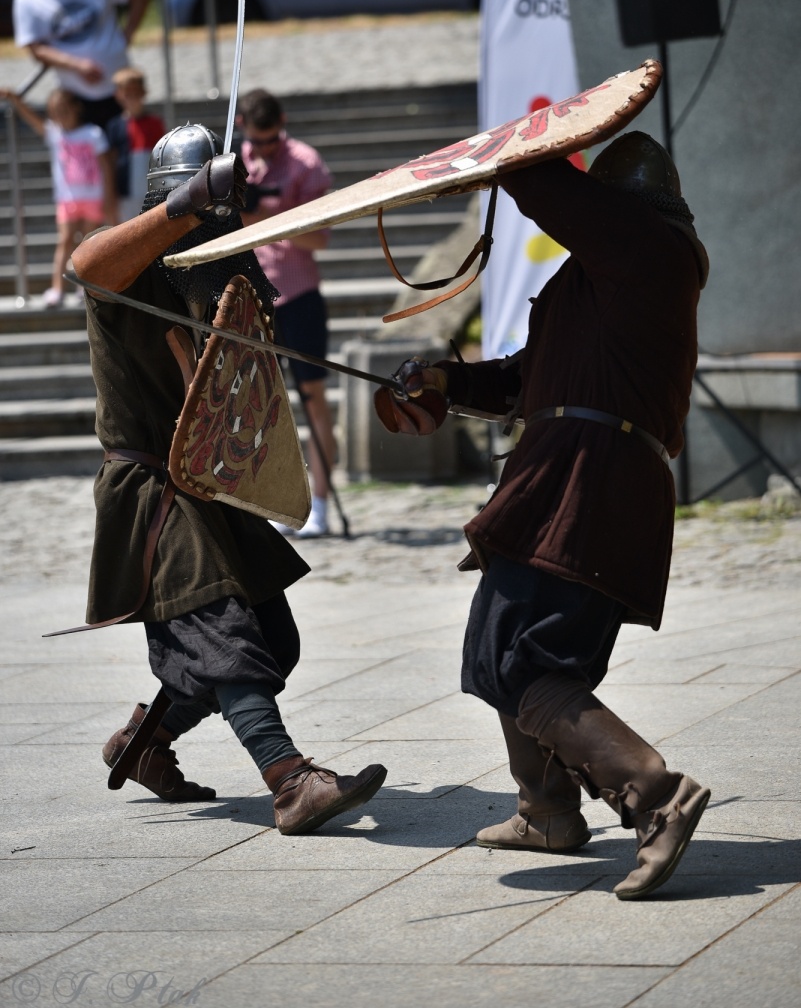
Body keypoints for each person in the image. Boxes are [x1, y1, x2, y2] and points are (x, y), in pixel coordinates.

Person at [374, 132, 711, 900]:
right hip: (567, 475)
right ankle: (547, 811)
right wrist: (442, 382)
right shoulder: (602, 280)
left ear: (618, 207)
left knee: (521, 660)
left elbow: (546, 188)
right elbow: (529, 380)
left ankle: (655, 797)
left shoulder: (650, 250)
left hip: (589, 479)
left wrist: (510, 146)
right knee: (510, 653)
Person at [69, 122, 386, 834]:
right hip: (152, 490)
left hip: (206, 480)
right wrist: (187, 205)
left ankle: (146, 740)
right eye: (202, 208)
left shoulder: (211, 274)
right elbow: (84, 266)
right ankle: (290, 781)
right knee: (224, 634)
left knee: (274, 638)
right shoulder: (126, 266)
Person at [239, 89, 336, 538]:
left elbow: (320, 240)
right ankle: (276, 502)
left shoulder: (305, 163)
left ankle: (321, 505)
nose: (264, 148)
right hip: (253, 296)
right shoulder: (236, 163)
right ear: (243, 128)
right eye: (256, 141)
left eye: (272, 139)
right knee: (259, 405)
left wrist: (272, 215)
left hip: (297, 295)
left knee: (313, 400)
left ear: (283, 123)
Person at [12, 0, 150, 129]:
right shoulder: (27, 0)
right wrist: (77, 66)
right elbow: (36, 49)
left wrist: (129, 32)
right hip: (76, 97)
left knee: (127, 143)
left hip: (120, 91)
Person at [0, 86, 116, 307]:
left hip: (92, 196)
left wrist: (109, 196)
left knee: (87, 242)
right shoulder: (55, 133)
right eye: (55, 111)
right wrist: (15, 99)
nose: (60, 115)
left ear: (76, 108)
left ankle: (84, 286)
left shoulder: (93, 133)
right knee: (65, 240)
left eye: (64, 109)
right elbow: (31, 118)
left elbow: (106, 166)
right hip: (67, 198)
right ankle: (57, 287)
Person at [106, 67, 165, 221]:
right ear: (118, 95)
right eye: (127, 93)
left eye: (135, 93)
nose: (132, 98)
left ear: (143, 92)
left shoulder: (155, 123)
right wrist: (110, 195)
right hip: (125, 193)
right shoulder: (115, 126)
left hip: (152, 191)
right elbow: (111, 162)